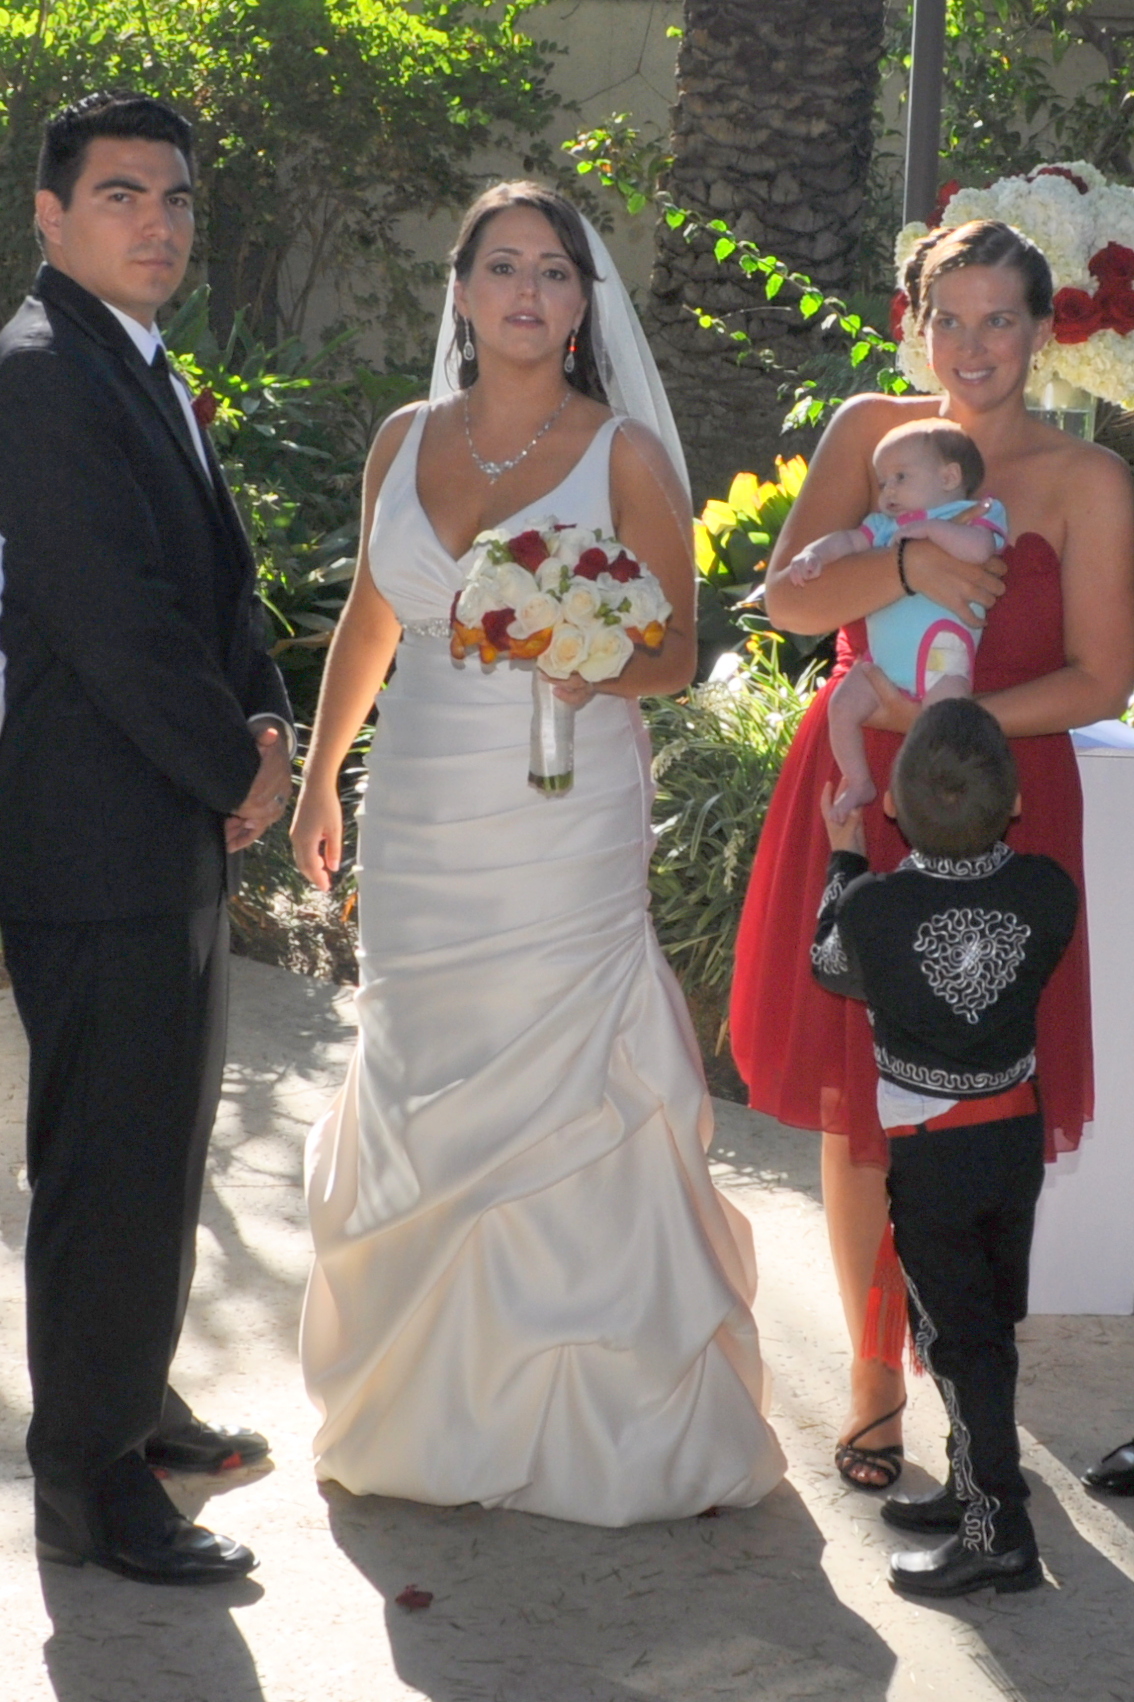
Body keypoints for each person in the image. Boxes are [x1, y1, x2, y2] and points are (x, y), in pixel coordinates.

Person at [291, 181, 785, 1524]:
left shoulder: (622, 453)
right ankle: (424, 1405)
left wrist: (586, 657)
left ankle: (593, 1421)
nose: (527, 290)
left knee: (565, 1078)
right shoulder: (401, 439)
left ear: (582, 304)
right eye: (502, 266)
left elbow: (675, 650)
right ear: (460, 292)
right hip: (422, 806)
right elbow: (370, 619)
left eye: (554, 270)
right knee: (420, 1056)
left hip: (560, 811)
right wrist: (324, 774)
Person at [729, 219, 1134, 1492]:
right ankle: (871, 1380)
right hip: (859, 794)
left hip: (1007, 804)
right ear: (915, 325)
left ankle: (974, 1401)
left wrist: (944, 728)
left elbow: (1102, 678)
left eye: (1000, 318)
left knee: (975, 1118)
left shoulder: (1087, 479)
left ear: (1046, 327)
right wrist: (904, 561)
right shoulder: (871, 433)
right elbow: (789, 600)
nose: (972, 346)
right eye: (947, 318)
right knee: (860, 1109)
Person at [0, 92, 295, 1581]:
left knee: (161, 1150)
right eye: (121, 195)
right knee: (107, 1167)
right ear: (50, 215)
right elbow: (108, 611)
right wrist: (232, 764)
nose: (158, 222)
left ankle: (133, 1402)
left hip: (162, 820)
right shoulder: (41, 373)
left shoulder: (137, 359)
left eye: (175, 197)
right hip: (90, 837)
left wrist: (268, 715)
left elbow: (214, 585)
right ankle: (90, 1481)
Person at [812, 698, 1078, 1596]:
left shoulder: (876, 909)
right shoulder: (1048, 889)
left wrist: (845, 858)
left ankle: (997, 1532)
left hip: (934, 1153)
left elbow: (827, 962)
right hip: (1012, 1138)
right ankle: (972, 1485)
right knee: (984, 1328)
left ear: (892, 804)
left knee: (958, 1342)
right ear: (1014, 804)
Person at [788, 419, 1007, 821]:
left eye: (900, 478)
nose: (888, 491)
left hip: (940, 653)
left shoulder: (970, 513)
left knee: (946, 725)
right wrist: (814, 555)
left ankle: (938, 805)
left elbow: (980, 550)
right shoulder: (884, 526)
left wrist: (932, 530)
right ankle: (859, 780)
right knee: (842, 707)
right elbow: (848, 541)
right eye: (883, 482)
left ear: (949, 476)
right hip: (882, 660)